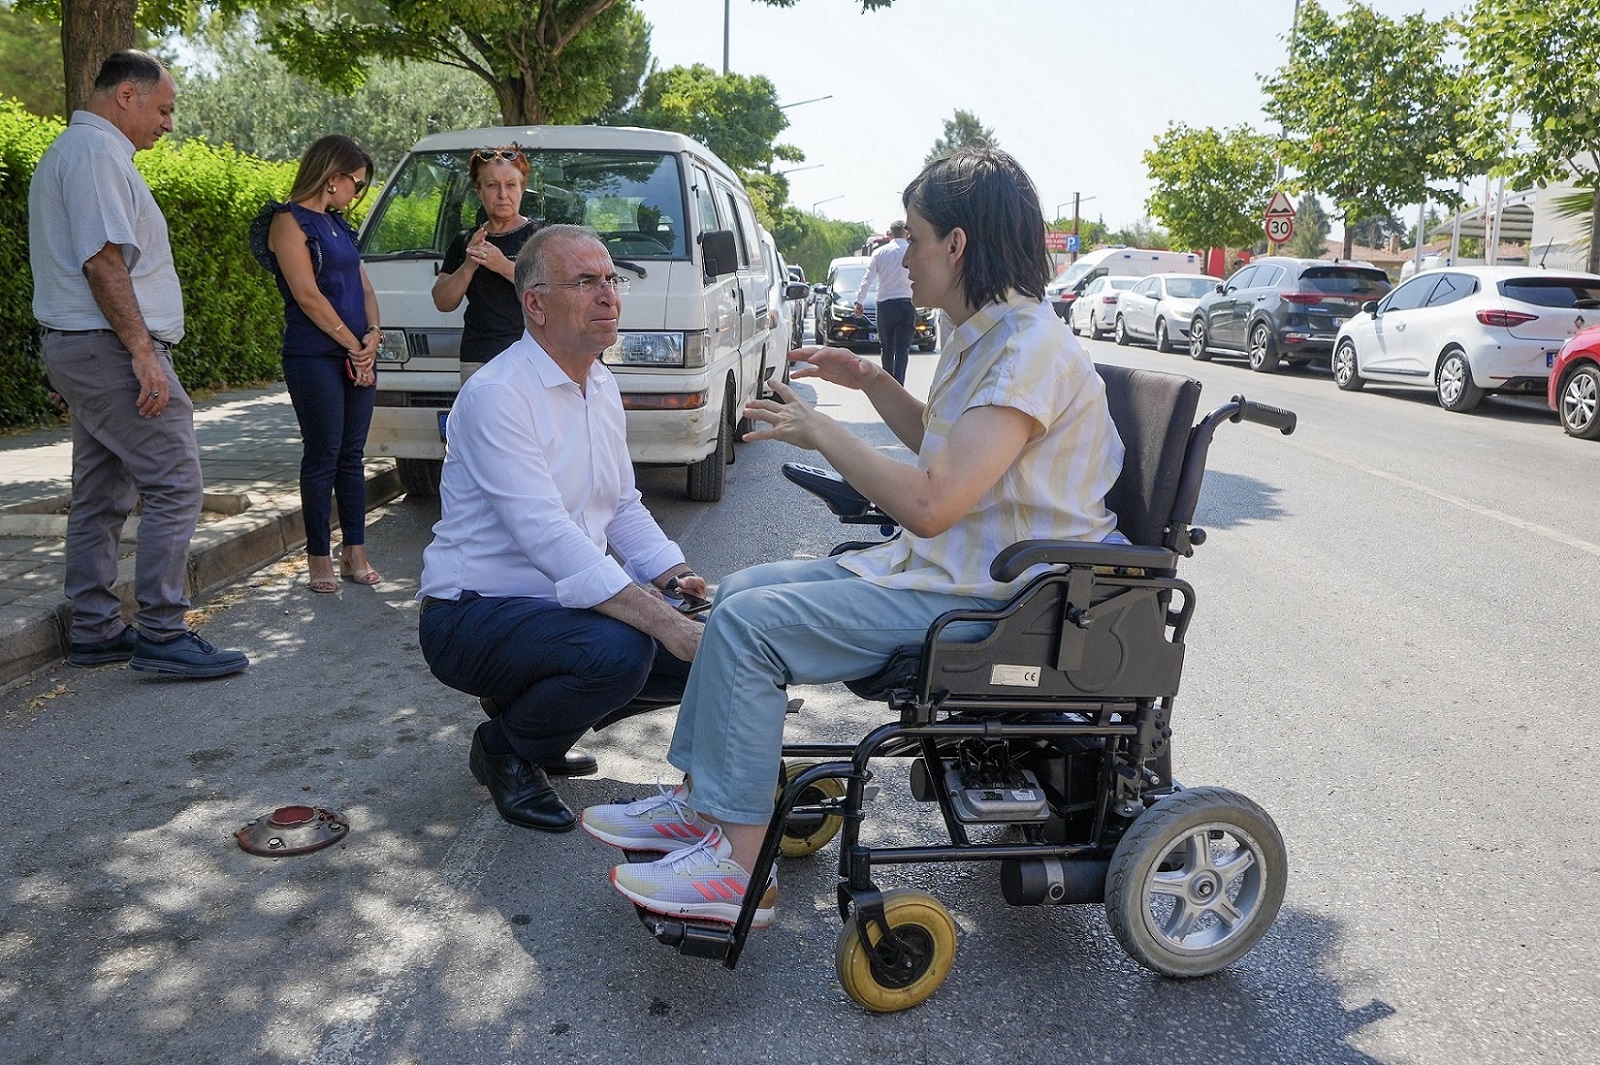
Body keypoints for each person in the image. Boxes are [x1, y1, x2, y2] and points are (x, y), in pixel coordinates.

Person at [582, 149, 1127, 929]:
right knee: (738, 594)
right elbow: (950, 446)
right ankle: (702, 805)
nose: (902, 255)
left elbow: (935, 500)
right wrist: (871, 382)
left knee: (752, 627)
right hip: (951, 570)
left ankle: (737, 870)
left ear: (958, 245)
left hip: (996, 598)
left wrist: (821, 429)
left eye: (914, 236)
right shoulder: (989, 333)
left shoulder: (1024, 349)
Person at [417, 223, 708, 833]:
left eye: (611, 279)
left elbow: (622, 504)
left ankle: (532, 716)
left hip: (550, 610)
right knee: (623, 649)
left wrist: (677, 579)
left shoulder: (599, 383)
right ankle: (506, 749)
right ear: (536, 305)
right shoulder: (499, 392)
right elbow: (545, 532)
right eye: (585, 282)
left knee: (703, 651)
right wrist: (660, 620)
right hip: (472, 612)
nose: (609, 295)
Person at [29, 49, 249, 678]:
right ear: (126, 94)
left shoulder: (70, 152)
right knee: (177, 481)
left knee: (101, 494)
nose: (169, 123)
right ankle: (161, 629)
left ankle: (96, 629)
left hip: (84, 345)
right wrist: (142, 354)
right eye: (164, 108)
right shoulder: (96, 154)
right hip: (109, 346)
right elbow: (103, 262)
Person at [256, 135, 383, 593]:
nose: (357, 192)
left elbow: (364, 286)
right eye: (357, 183)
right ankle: (318, 558)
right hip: (314, 355)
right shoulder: (287, 221)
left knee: (352, 456)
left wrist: (373, 335)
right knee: (323, 455)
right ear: (333, 178)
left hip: (356, 352)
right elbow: (307, 296)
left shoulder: (339, 225)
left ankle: (355, 551)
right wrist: (354, 344)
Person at [431, 145, 538, 368]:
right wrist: (469, 266)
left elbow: (553, 292)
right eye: (492, 185)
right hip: (478, 357)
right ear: (479, 191)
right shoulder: (465, 240)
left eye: (510, 185)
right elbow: (442, 302)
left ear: (521, 189)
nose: (502, 195)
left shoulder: (540, 238)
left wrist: (503, 265)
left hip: (532, 356)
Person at [854, 219, 915, 384]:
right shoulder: (912, 251)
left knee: (886, 347)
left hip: (885, 305)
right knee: (903, 349)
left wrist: (859, 301)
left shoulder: (880, 253)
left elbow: (868, 279)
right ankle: (899, 383)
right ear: (906, 233)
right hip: (907, 304)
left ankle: (888, 383)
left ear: (890, 234)